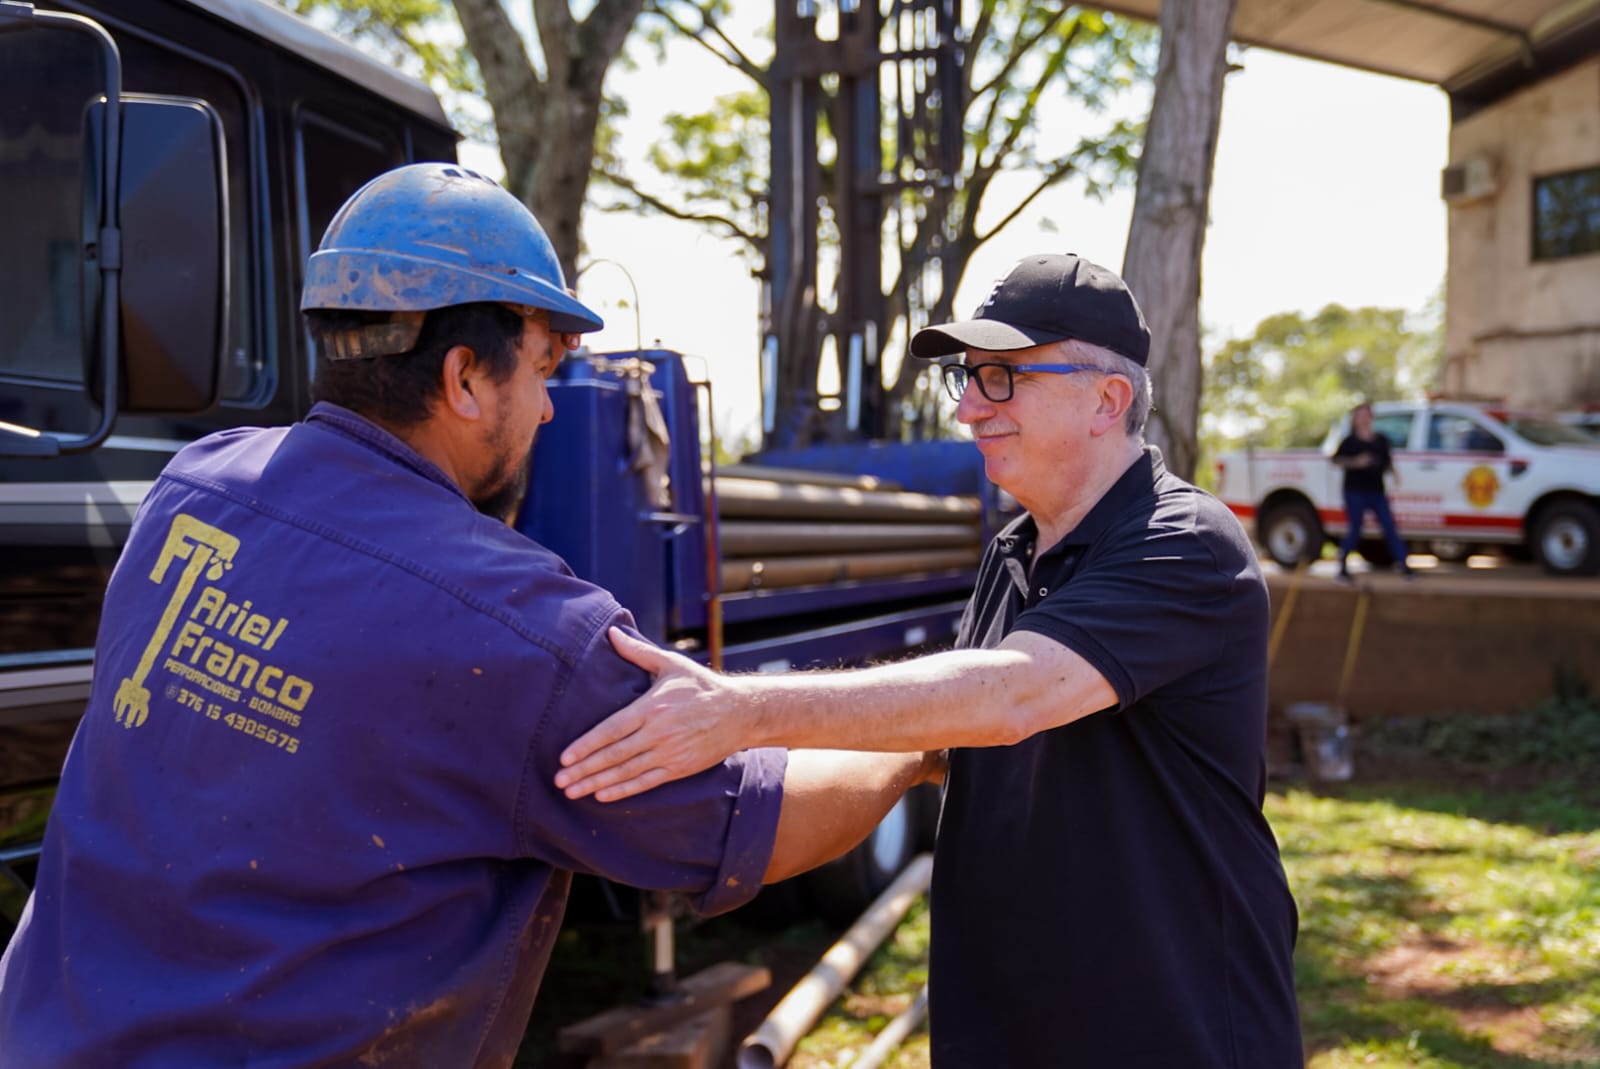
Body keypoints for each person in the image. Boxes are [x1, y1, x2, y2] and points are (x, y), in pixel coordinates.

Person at [0, 163, 937, 1068]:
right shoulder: (523, 631)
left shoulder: (190, 490)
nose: (549, 409)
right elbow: (756, 823)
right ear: (463, 377)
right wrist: (924, 739)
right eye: (541, 369)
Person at [557, 253, 1305, 1068]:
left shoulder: (1184, 544)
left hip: (1168, 1025)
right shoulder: (1015, 549)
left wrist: (741, 709)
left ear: (1107, 398)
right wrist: (708, 825)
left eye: (1001, 378)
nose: (970, 410)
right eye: (967, 378)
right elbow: (943, 744)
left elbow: (1010, 695)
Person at [1333, 401, 1415, 579]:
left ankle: (1404, 565)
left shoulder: (1381, 440)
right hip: (1355, 491)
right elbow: (1336, 460)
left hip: (1376, 491)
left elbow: (1388, 461)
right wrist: (1356, 462)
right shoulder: (1349, 442)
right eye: (1359, 416)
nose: (1363, 419)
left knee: (1389, 526)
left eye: (1366, 415)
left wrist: (1394, 474)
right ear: (1355, 419)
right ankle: (1342, 568)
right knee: (1355, 529)